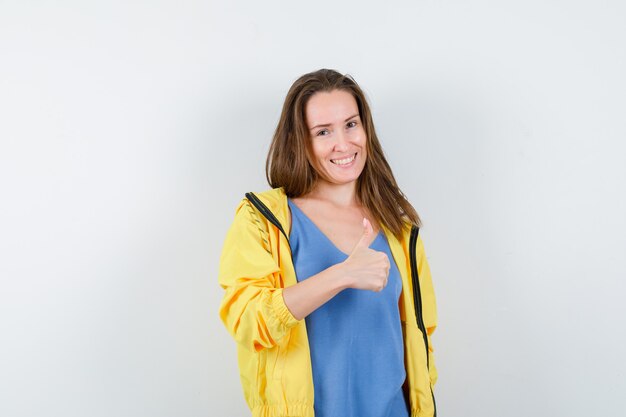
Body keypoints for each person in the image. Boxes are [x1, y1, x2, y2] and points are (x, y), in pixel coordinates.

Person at [218, 69, 438, 417]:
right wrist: (341, 275)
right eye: (323, 132)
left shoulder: (400, 231)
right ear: (300, 142)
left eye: (351, 124)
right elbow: (248, 321)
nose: (343, 143)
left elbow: (419, 342)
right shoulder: (264, 220)